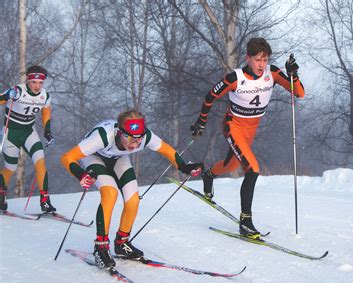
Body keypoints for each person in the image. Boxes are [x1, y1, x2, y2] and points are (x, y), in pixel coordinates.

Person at [190, 37, 305, 239]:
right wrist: (201, 121)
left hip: (251, 129)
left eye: (265, 59)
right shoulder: (235, 78)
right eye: (258, 59)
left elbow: (300, 93)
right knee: (252, 168)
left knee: (231, 165)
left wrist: (293, 74)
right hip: (233, 125)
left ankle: (208, 175)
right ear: (248, 58)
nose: (262, 65)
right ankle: (246, 221)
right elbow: (209, 97)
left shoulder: (273, 73)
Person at [61, 109, 203, 268]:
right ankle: (100, 247)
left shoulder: (145, 136)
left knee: (133, 199)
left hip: (118, 158)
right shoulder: (103, 136)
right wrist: (81, 174)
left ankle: (121, 243)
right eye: (129, 138)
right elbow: (67, 157)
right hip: (94, 157)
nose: (134, 144)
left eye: (138, 139)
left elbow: (166, 150)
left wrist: (184, 167)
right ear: (119, 132)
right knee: (110, 193)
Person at [0, 65, 56, 213]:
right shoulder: (17, 91)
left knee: (40, 161)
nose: (37, 86)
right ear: (28, 81)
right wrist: (6, 96)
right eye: (33, 82)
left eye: (40, 83)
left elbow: (46, 111)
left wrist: (47, 131)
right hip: (11, 133)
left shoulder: (45, 96)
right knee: (10, 168)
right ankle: (1, 193)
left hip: (28, 132)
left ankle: (45, 200)